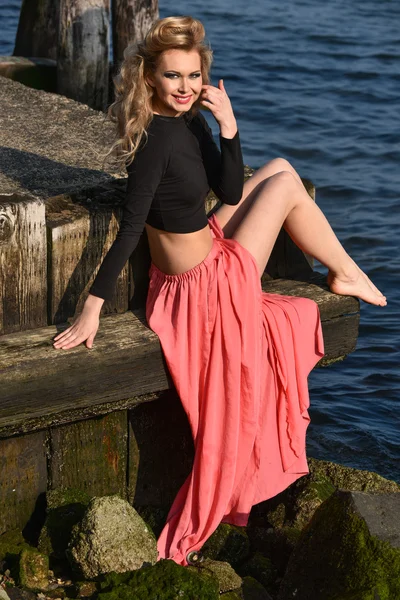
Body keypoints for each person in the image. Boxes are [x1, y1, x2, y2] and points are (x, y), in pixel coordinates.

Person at [53, 16, 386, 566]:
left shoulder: (188, 123)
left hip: (206, 246)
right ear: (149, 78)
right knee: (283, 187)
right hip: (204, 286)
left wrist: (228, 125)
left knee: (279, 167)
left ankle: (348, 270)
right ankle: (348, 272)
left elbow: (228, 187)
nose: (184, 87)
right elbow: (132, 228)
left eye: (192, 76)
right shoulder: (156, 141)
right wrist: (91, 309)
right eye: (172, 76)